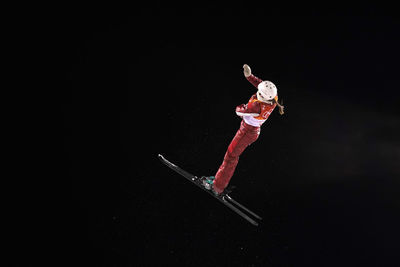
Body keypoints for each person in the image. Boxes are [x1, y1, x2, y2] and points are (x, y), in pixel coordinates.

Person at [202, 64, 285, 195]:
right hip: (252, 130)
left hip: (247, 132)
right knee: (231, 155)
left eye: (259, 92)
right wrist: (249, 76)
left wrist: (243, 106)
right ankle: (219, 180)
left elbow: (238, 111)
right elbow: (261, 84)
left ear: (262, 96)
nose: (257, 91)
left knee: (231, 156)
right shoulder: (273, 98)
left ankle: (217, 187)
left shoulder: (256, 106)